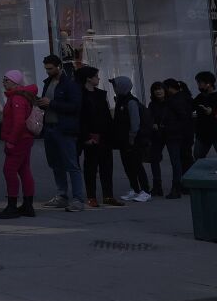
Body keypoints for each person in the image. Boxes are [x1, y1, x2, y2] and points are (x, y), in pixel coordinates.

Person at [35, 54, 86, 211]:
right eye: (46, 69)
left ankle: (78, 198)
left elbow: (75, 107)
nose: (48, 71)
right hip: (50, 127)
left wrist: (52, 103)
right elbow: (50, 104)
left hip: (63, 128)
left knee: (71, 164)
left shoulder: (70, 85)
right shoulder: (48, 83)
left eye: (50, 69)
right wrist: (42, 104)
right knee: (56, 163)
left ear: (59, 67)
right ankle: (62, 195)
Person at [0, 70, 38, 218]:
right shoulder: (19, 96)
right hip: (25, 139)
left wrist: (11, 142)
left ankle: (12, 206)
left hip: (19, 140)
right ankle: (27, 205)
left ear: (15, 82)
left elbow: (19, 122)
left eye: (7, 80)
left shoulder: (17, 99)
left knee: (9, 170)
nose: (4, 82)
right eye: (4, 79)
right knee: (23, 169)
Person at [78, 66, 120, 208]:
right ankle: (92, 196)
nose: (98, 78)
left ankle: (108, 195)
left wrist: (112, 133)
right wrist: (85, 137)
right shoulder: (81, 95)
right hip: (92, 135)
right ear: (89, 78)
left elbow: (107, 115)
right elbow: (81, 118)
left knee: (107, 166)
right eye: (96, 76)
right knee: (91, 167)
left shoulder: (101, 94)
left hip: (105, 134)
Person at [146, 82, 190, 200]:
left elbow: (183, 118)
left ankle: (176, 187)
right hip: (158, 135)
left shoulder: (172, 103)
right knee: (154, 158)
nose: (158, 92)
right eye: (155, 90)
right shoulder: (152, 104)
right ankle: (157, 186)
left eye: (160, 89)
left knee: (175, 161)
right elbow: (149, 117)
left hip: (172, 135)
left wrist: (172, 127)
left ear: (165, 90)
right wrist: (153, 124)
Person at [111, 77, 151, 203]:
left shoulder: (130, 102)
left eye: (115, 85)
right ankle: (135, 188)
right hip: (123, 140)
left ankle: (145, 191)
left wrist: (132, 137)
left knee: (137, 165)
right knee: (128, 166)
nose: (114, 88)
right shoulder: (120, 100)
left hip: (132, 141)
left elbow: (135, 122)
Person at [192, 71, 217, 159]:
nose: (198, 85)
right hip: (203, 134)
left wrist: (212, 112)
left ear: (208, 84)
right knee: (198, 156)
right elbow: (191, 107)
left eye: (200, 83)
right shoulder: (200, 98)